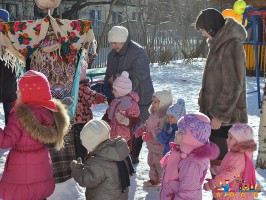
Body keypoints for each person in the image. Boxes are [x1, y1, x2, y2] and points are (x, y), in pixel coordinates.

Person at [0, 70, 70, 200]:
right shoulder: (48, 112)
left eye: (20, 90)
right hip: (41, 170)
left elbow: (5, 141)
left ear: (30, 92)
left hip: (21, 175)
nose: (16, 92)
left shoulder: (21, 116)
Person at [195, 8, 248, 174]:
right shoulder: (217, 44)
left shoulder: (231, 45)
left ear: (211, 29)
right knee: (215, 166)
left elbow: (233, 85)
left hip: (226, 119)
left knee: (223, 168)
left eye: (203, 30)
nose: (203, 35)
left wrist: (219, 113)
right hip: (215, 118)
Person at [104, 25, 154, 163]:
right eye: (111, 43)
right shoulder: (111, 55)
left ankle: (133, 156)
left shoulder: (138, 52)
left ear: (123, 40)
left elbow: (141, 74)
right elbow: (108, 73)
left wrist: (119, 78)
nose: (113, 46)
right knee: (118, 125)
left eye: (116, 43)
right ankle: (120, 155)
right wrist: (107, 85)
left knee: (135, 126)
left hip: (139, 97)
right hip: (118, 97)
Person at [70, 119, 135, 200]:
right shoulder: (120, 152)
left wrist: (77, 168)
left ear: (90, 143)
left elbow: (85, 180)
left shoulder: (97, 162)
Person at [160, 113, 219, 200]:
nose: (176, 132)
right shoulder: (182, 152)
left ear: (191, 139)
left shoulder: (192, 164)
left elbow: (187, 194)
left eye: (180, 131)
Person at [203, 123, 257, 200]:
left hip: (232, 193)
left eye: (230, 138)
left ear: (240, 141)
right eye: (228, 137)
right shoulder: (237, 152)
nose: (227, 139)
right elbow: (231, 169)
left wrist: (212, 184)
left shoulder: (238, 157)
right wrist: (217, 169)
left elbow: (228, 175)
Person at [135, 90, 172, 187]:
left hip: (160, 147)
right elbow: (147, 123)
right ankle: (153, 179)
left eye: (156, 102)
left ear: (163, 103)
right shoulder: (153, 114)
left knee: (160, 164)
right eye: (153, 101)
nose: (153, 104)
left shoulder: (164, 117)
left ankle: (164, 181)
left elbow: (161, 129)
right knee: (151, 162)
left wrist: (151, 134)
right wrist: (141, 128)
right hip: (151, 145)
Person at [102, 71, 140, 151]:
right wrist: (102, 124)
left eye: (114, 90)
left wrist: (127, 121)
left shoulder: (131, 104)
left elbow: (137, 119)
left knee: (123, 158)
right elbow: (107, 115)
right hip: (112, 135)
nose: (112, 92)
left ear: (121, 91)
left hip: (125, 138)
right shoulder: (114, 102)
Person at [72, 77, 106, 161]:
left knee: (77, 144)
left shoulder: (75, 87)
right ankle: (82, 162)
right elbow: (94, 97)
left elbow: (93, 97)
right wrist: (102, 97)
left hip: (76, 121)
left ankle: (78, 161)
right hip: (82, 121)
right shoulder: (82, 88)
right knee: (82, 144)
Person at [0, 9, 17, 125]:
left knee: (10, 121)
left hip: (9, 90)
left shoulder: (13, 40)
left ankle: (9, 142)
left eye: (2, 22)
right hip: (8, 89)